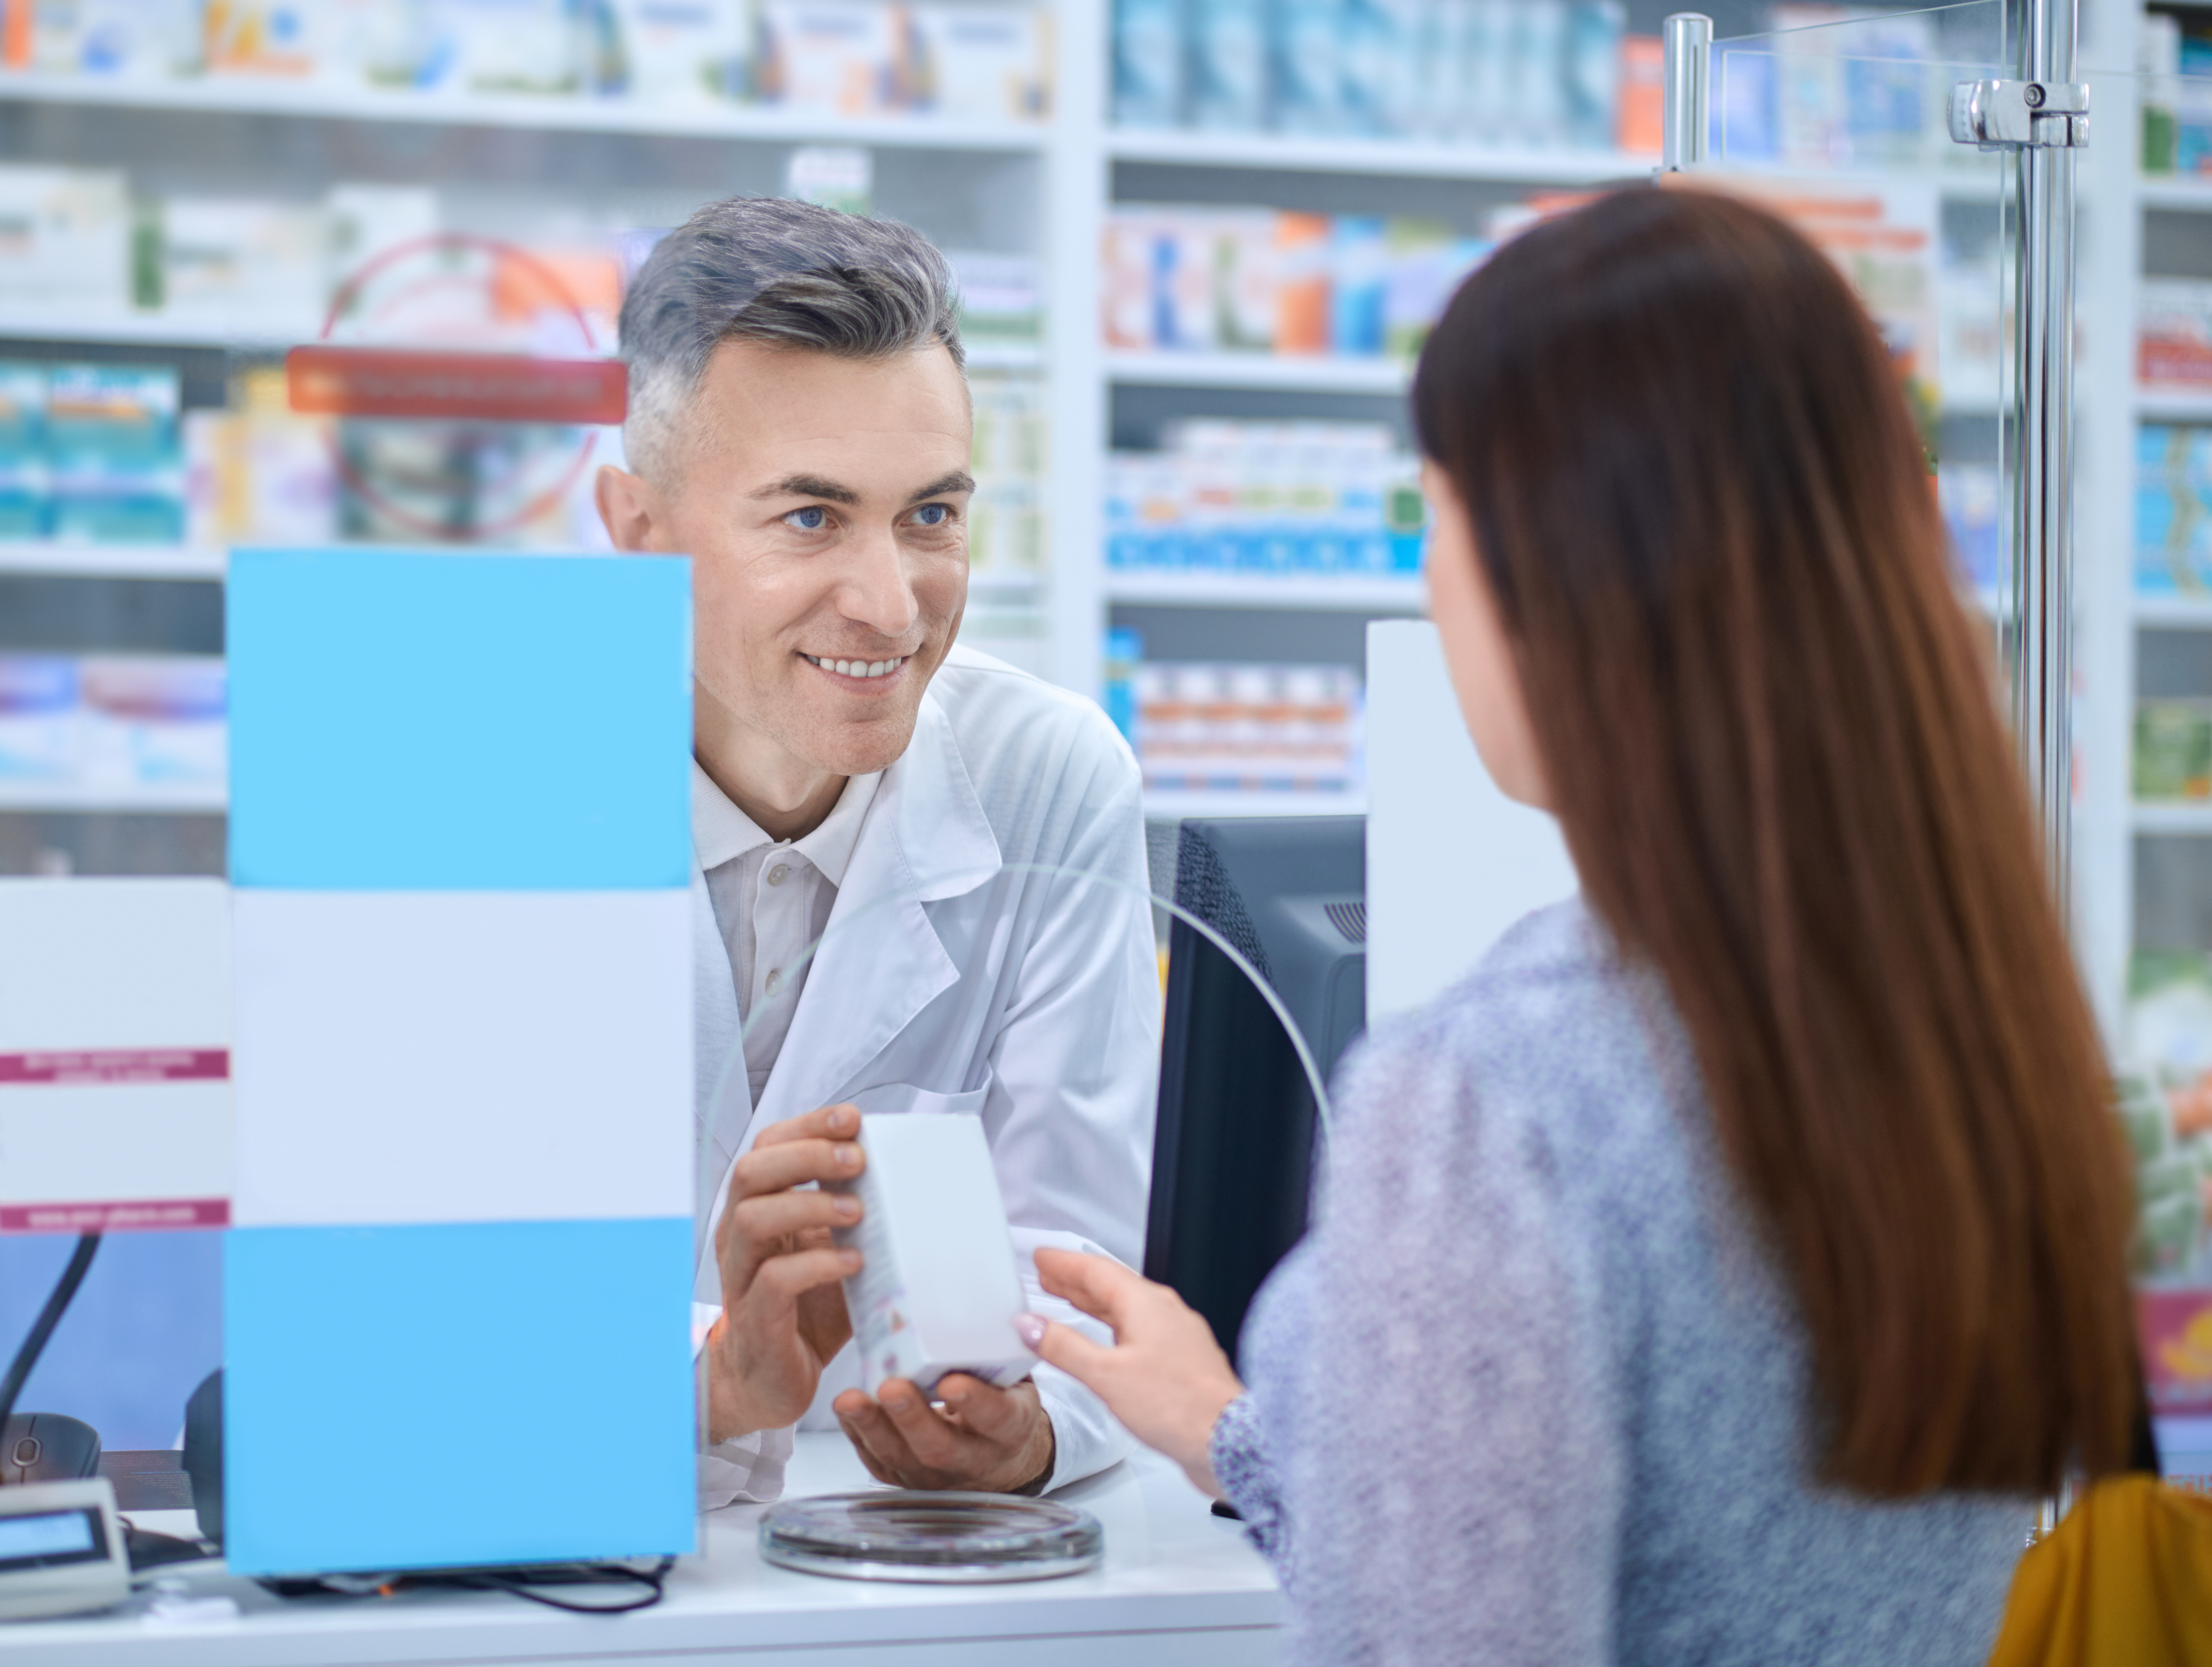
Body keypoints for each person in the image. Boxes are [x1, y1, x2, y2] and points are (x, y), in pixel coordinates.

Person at [1018, 186, 2143, 1664]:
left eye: (1443, 510)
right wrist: (1244, 1437)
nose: (1431, 574)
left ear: (1567, 570)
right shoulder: (1964, 1012)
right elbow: (1689, 1540)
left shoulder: (1497, 1096)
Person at [594, 198, 1158, 1509]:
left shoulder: (1050, 778)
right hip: (534, 1576)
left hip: (890, 1570)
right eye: (809, 519)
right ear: (639, 532)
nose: (892, 605)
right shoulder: (459, 788)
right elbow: (408, 1329)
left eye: (931, 516)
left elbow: (1075, 1256)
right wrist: (714, 1379)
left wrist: (1029, 1431)